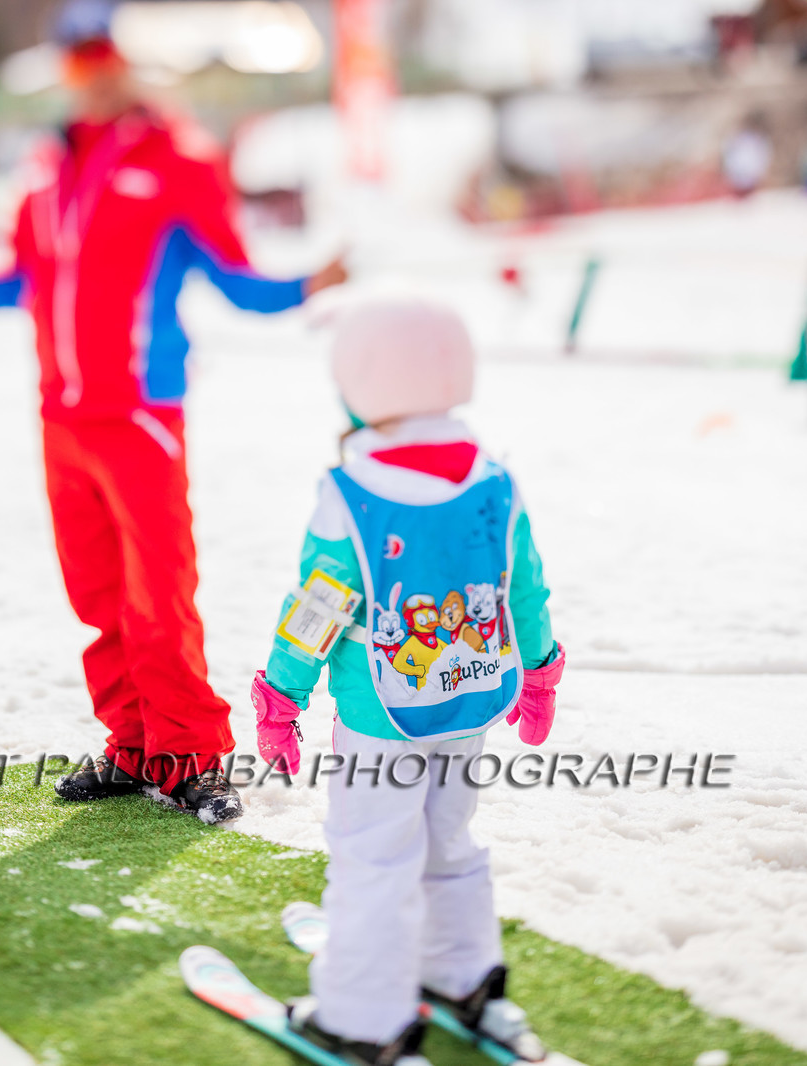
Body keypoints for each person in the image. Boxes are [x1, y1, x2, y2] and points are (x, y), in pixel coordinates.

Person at [0, 0, 346, 823]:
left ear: (130, 61)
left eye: (104, 54)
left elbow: (238, 279)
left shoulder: (178, 156)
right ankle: (135, 747)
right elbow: (17, 280)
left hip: (140, 412)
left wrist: (308, 283)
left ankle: (193, 757)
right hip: (61, 417)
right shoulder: (43, 168)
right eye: (76, 58)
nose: (92, 72)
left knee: (158, 594)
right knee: (97, 596)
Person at [250, 300, 563, 1064]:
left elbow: (319, 607)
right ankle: (463, 973)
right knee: (449, 837)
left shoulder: (352, 493)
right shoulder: (496, 484)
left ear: (358, 384)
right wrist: (542, 670)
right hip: (471, 700)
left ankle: (362, 1017)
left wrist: (282, 694)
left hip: (380, 718)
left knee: (373, 856)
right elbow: (525, 589)